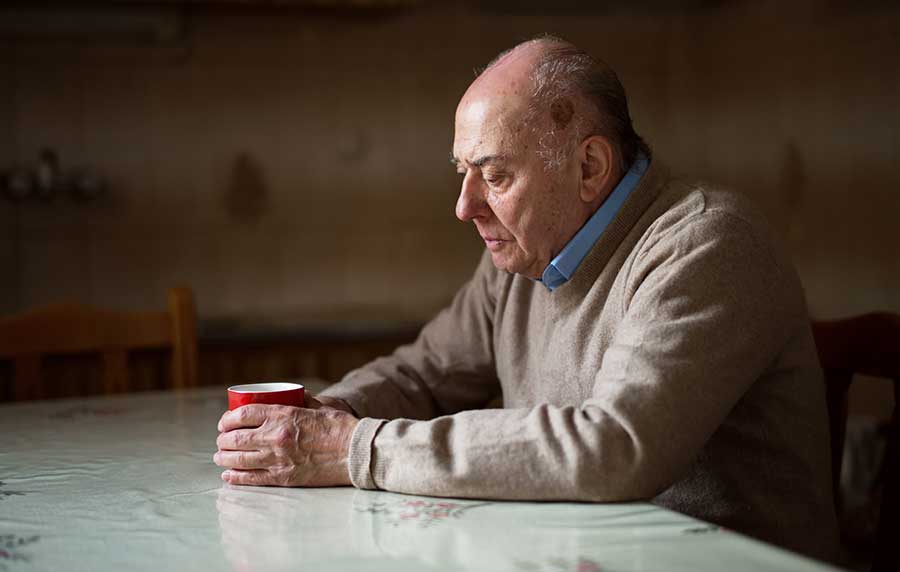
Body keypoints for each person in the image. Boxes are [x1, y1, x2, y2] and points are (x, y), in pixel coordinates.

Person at [214, 36, 838, 562]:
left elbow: (611, 450)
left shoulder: (706, 244)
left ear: (590, 167)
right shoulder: (523, 253)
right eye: (463, 171)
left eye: (495, 174)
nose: (465, 206)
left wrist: (353, 448)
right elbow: (422, 374)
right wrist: (318, 418)